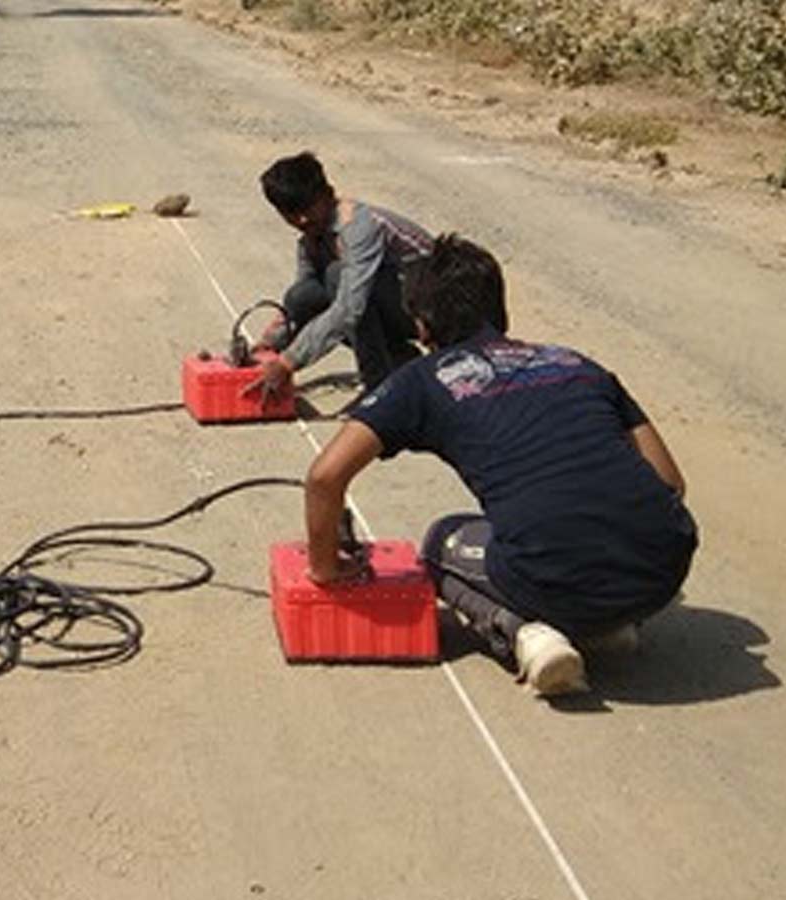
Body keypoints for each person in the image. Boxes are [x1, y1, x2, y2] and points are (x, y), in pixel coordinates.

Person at [302, 234, 698, 696]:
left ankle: (524, 633)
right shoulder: (575, 363)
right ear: (500, 310)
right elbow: (670, 483)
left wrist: (325, 567)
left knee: (440, 540)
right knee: (561, 534)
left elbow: (324, 477)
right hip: (665, 570)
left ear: (422, 326)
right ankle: (608, 620)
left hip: (555, 576)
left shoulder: (423, 380)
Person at [247, 151, 434, 400]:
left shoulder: (359, 226)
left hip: (435, 307)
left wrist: (288, 362)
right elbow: (301, 305)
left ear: (327, 194)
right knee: (302, 297)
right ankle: (399, 359)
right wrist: (269, 346)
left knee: (338, 280)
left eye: (308, 208)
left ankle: (378, 387)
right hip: (397, 303)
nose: (302, 219)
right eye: (292, 214)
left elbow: (350, 307)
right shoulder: (310, 241)